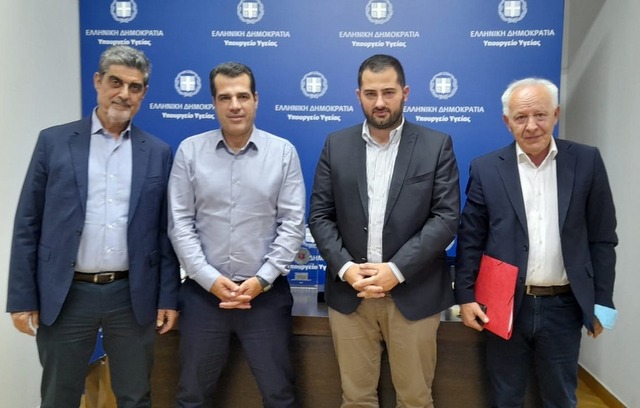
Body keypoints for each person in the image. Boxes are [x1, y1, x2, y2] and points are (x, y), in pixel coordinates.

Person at [7, 45, 180, 408]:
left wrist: (167, 297)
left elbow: (164, 233)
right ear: (98, 81)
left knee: (136, 396)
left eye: (134, 87)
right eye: (116, 82)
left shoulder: (158, 151)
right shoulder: (54, 142)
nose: (124, 94)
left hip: (131, 294)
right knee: (60, 396)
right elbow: (27, 223)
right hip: (67, 294)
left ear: (144, 94)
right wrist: (22, 299)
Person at [455, 77, 618, 407]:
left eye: (540, 115)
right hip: (503, 305)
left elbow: (602, 238)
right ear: (507, 122)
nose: (531, 126)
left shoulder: (586, 161)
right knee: (506, 397)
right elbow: (471, 238)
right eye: (521, 117)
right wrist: (466, 296)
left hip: (564, 306)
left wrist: (602, 303)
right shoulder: (486, 168)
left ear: (555, 114)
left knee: (561, 398)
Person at [308, 54, 460, 408]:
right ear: (358, 95)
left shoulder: (436, 145)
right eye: (371, 93)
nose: (380, 102)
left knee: (415, 400)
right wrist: (347, 269)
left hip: (414, 293)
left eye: (388, 92)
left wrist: (396, 270)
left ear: (405, 93)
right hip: (351, 295)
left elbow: (446, 218)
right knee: (356, 399)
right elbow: (319, 216)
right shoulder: (336, 144)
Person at [168, 61, 305, 408]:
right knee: (191, 397)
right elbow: (180, 223)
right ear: (214, 103)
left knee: (280, 396)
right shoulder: (189, 151)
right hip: (203, 298)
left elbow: (292, 224)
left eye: (243, 96)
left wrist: (262, 280)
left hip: (265, 297)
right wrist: (209, 279)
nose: (235, 105)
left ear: (256, 99)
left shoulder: (283, 153)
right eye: (225, 97)